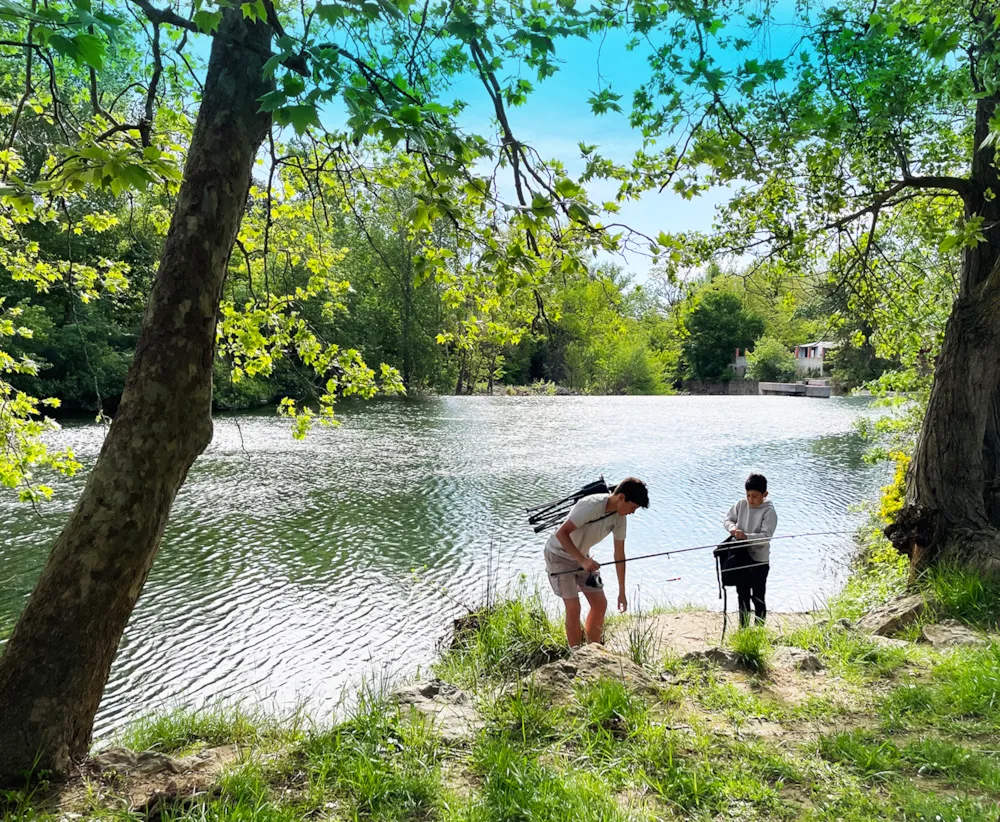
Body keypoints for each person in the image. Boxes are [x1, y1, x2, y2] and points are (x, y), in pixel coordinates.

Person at [544, 477, 649, 647]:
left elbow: (619, 555)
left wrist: (622, 591)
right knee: (573, 607)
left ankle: (593, 651)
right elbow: (561, 534)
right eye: (633, 507)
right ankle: (576, 655)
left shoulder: (620, 518)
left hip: (582, 556)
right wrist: (582, 560)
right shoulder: (591, 505)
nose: (633, 512)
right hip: (559, 555)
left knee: (600, 604)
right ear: (621, 497)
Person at [722, 473, 777, 627]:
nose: (751, 499)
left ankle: (759, 630)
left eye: (754, 496)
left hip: (759, 561)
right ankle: (743, 629)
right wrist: (733, 529)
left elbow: (766, 537)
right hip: (741, 558)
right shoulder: (741, 504)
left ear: (764, 495)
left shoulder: (769, 511)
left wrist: (746, 536)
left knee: (758, 597)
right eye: (748, 495)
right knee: (743, 595)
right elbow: (727, 519)